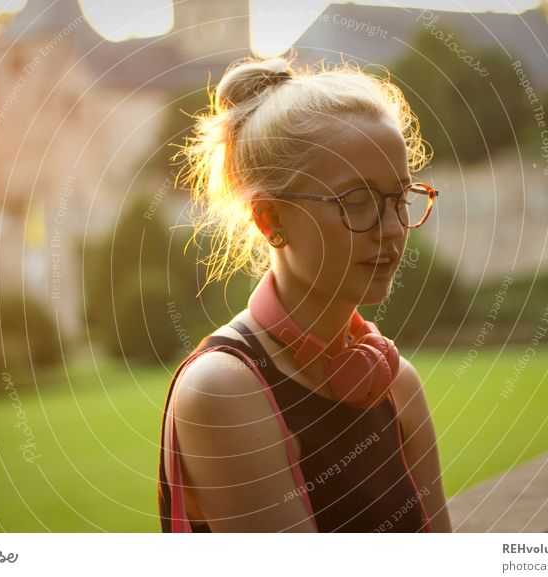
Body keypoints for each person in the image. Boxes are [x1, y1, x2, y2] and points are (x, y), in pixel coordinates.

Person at [157, 53, 452, 533]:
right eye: (356, 201)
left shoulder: (397, 384)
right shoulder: (221, 391)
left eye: (400, 197)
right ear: (269, 217)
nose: (394, 228)